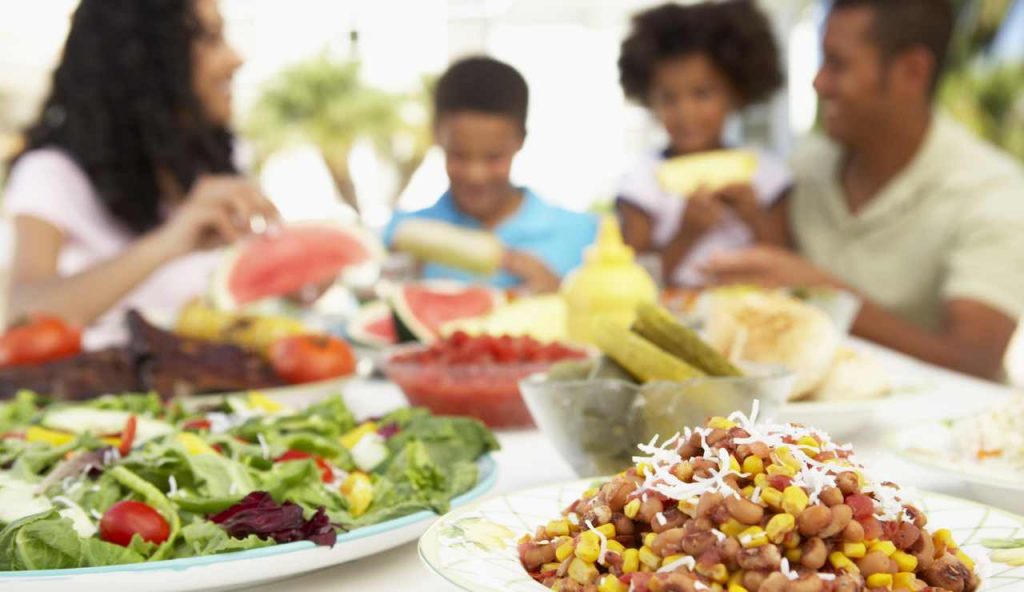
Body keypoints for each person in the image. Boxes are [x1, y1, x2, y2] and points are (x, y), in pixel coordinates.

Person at [703, 0, 1024, 380]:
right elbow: (782, 277)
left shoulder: (992, 191)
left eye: (837, 64)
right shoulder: (806, 167)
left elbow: (974, 361)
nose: (817, 82)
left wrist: (822, 295)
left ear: (911, 71)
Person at [2, 0, 277, 334]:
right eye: (210, 38)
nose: (236, 58)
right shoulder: (52, 173)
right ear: (147, 59)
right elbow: (21, 315)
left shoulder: (216, 161)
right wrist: (170, 241)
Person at [383, 56, 598, 293]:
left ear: (521, 140)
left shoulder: (585, 236)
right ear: (436, 135)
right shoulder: (398, 235)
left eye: (494, 157)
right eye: (460, 156)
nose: (477, 176)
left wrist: (561, 296)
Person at [615, 0, 791, 287]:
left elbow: (789, 264)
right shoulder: (641, 181)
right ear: (649, 100)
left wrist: (755, 217)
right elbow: (633, 279)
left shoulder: (768, 175)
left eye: (702, 94)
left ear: (736, 93)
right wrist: (686, 234)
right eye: (669, 98)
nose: (686, 114)